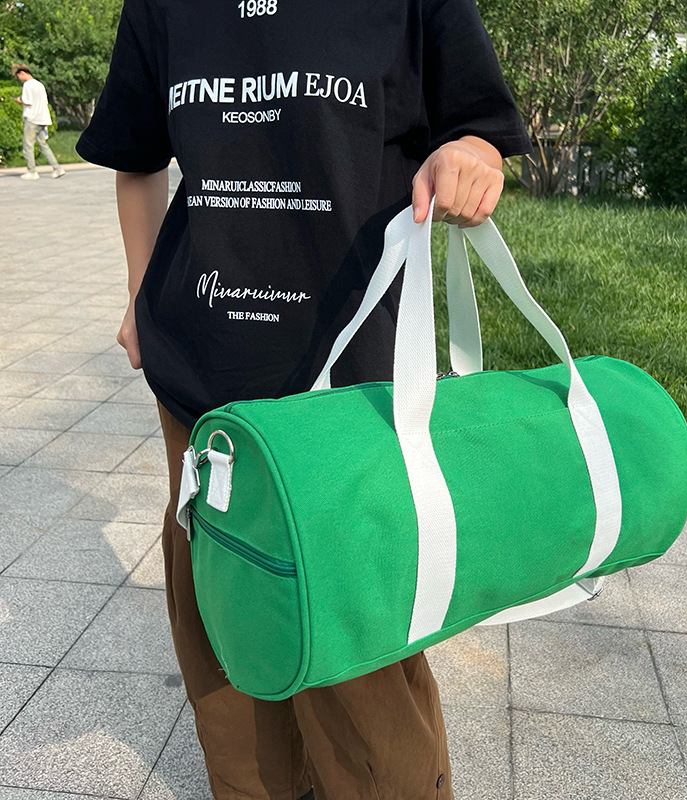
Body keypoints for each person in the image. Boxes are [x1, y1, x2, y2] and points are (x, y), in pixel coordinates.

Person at [75, 0, 533, 797]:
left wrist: (470, 154)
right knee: (223, 627)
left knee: (355, 647)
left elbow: (477, 124)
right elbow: (136, 154)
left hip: (348, 384)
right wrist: (141, 294)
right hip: (201, 378)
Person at [11, 64, 66, 180]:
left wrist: (19, 100)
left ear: (22, 73)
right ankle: (57, 168)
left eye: (18, 76)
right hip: (42, 118)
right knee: (43, 144)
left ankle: (32, 171)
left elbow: (27, 101)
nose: (19, 79)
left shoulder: (27, 85)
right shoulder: (39, 84)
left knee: (28, 144)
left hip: (32, 118)